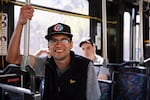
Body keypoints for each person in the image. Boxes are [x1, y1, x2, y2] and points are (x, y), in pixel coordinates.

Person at [6, 4, 101, 100]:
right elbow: (12, 58)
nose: (58, 44)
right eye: (53, 40)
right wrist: (20, 23)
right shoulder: (44, 64)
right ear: (48, 46)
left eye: (64, 40)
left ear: (71, 44)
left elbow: (94, 97)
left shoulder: (85, 66)